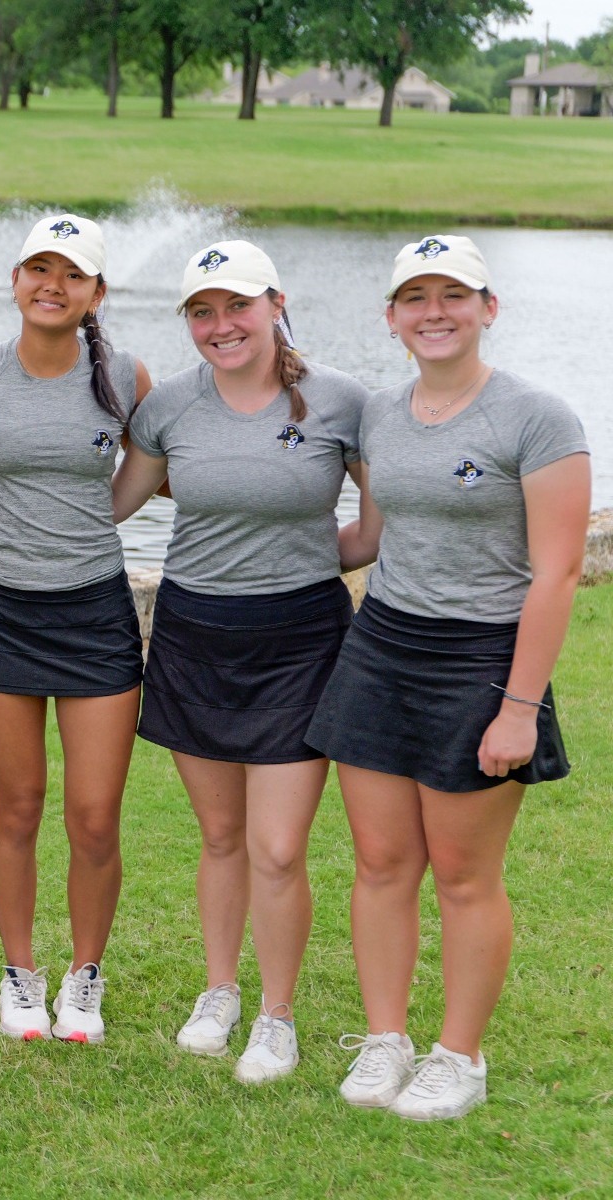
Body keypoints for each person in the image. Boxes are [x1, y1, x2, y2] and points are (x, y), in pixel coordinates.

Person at [306, 235, 588, 1121]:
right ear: (391, 318)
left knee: (465, 875)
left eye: (453, 296)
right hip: (383, 644)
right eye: (415, 297)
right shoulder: (383, 417)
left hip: (481, 659)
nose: (435, 312)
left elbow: (557, 573)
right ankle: (385, 1039)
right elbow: (371, 539)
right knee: (382, 863)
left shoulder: (538, 419)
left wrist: (518, 708)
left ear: (487, 308)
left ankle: (458, 1057)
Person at [113, 240, 369, 1082]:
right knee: (220, 835)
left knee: (277, 846)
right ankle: (220, 989)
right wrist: (1, 522)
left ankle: (276, 1015)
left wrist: (299, 561)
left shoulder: (338, 400)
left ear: (275, 303)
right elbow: (115, 503)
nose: (221, 326)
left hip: (302, 640)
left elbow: (375, 522)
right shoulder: (170, 409)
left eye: (237, 306)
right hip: (195, 632)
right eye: (202, 312)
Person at [0, 213, 150, 1044]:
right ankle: (21, 976)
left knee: (95, 814)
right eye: (38, 268)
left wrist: (70, 519)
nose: (52, 285)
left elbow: (147, 473)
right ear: (16, 279)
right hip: (1, 612)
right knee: (18, 805)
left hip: (96, 611)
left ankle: (85, 977)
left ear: (96, 293)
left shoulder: (130, 377)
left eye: (72, 274)